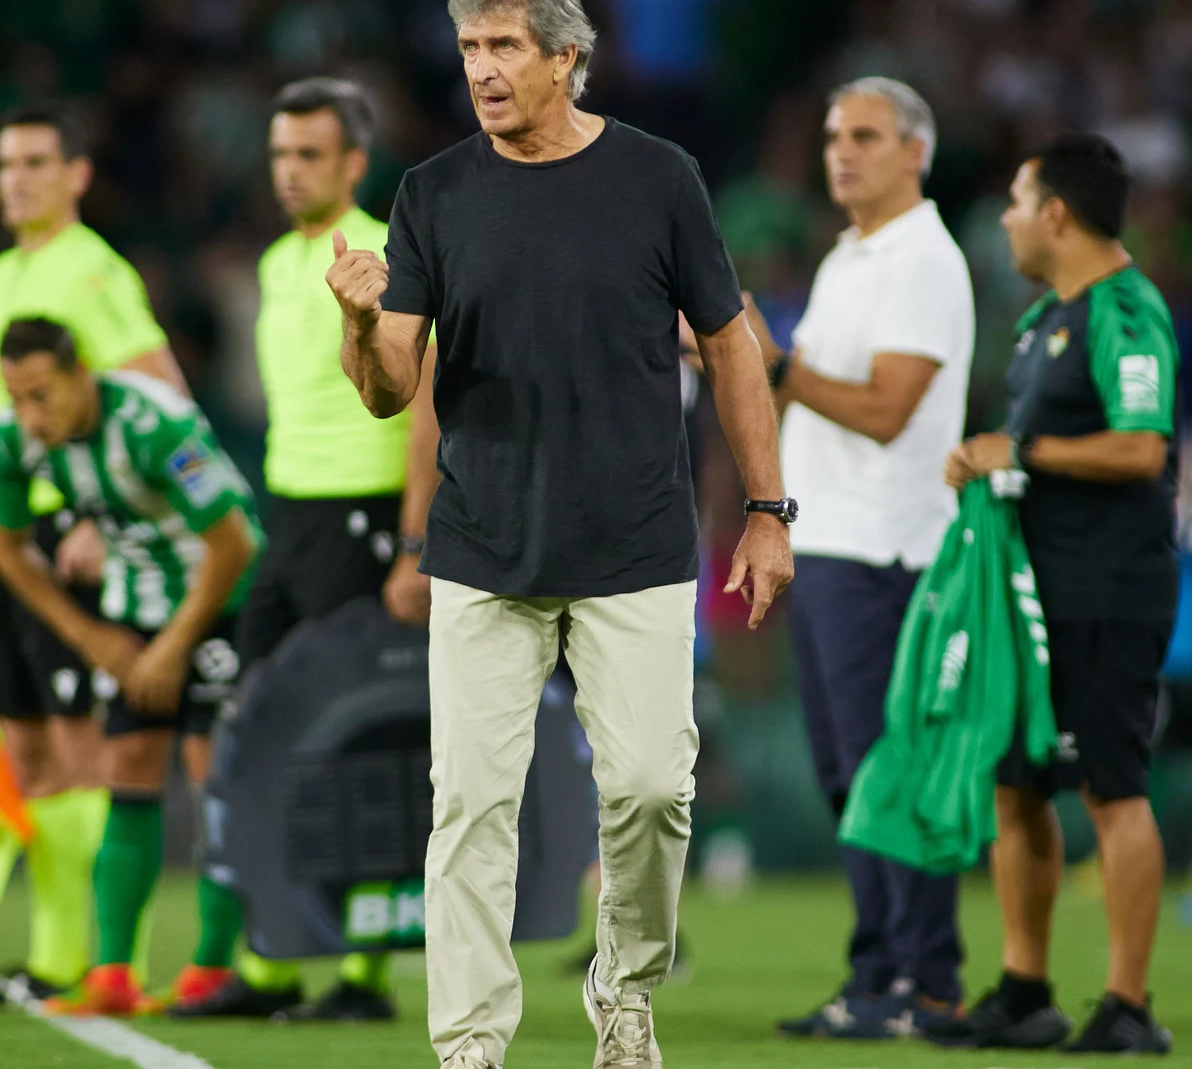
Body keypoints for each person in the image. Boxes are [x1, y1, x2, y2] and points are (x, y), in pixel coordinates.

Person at [324, 1, 794, 1066]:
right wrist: (358, 323)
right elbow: (391, 391)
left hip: (632, 540)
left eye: (502, 48)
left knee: (649, 791)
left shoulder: (658, 177)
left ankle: (623, 999)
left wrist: (767, 511)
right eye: (468, 51)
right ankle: (470, 1044)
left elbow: (730, 346)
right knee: (472, 807)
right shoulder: (430, 193)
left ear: (565, 58)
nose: (481, 71)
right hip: (484, 545)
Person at [167, 76, 439, 1023]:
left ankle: (364, 974)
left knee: (355, 745)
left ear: (353, 163)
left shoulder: (382, 257)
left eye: (309, 155)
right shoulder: (281, 262)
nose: (289, 172)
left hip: (363, 516)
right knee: (264, 735)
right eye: (280, 154)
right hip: (292, 515)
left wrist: (413, 543)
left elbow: (422, 415)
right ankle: (274, 960)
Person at [0, 102, 193, 1007]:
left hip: (75, 538)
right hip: (13, 533)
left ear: (78, 175)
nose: (17, 178)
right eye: (7, 163)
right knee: (30, 751)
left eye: (38, 162)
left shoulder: (94, 272)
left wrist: (109, 505)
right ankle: (53, 958)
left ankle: (104, 958)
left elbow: (162, 388)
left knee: (90, 750)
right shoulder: (2, 274)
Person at [745, 77, 974, 1040]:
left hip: (889, 547)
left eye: (868, 136)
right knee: (852, 776)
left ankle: (922, 982)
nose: (843, 151)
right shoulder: (852, 254)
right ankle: (882, 974)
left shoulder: (920, 257)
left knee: (891, 774)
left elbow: (888, 411)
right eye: (836, 134)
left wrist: (778, 368)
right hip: (833, 537)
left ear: (915, 151)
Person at [940, 133, 1179, 1054]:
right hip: (1035, 597)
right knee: (1017, 789)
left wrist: (1020, 452)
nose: (1003, 217)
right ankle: (1025, 985)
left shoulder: (1126, 309)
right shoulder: (1044, 320)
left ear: (1057, 213)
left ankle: (1127, 1004)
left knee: (1114, 791)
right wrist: (985, 459)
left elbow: (1143, 444)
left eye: (1014, 199)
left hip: (1107, 592)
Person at [0, 317, 263, 1017]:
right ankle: (112, 976)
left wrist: (171, 648)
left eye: (42, 395)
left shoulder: (152, 422)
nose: (29, 415)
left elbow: (235, 542)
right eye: (16, 399)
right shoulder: (16, 442)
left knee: (213, 778)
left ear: (81, 374)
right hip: (136, 610)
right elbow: (6, 544)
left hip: (221, 604)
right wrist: (93, 636)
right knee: (128, 767)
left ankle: (211, 968)